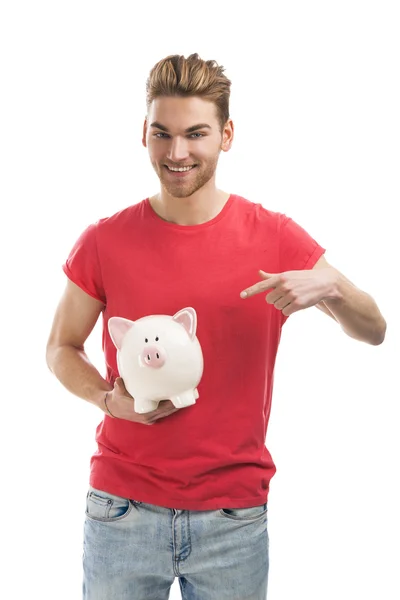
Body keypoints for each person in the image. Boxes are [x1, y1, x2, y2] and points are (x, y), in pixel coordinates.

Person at [45, 53, 387, 600]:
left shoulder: (274, 236)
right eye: (163, 134)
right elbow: (61, 347)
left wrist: (333, 289)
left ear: (226, 135)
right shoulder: (104, 241)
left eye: (195, 134)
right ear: (145, 134)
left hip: (233, 518)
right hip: (121, 512)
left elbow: (375, 330)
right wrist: (109, 401)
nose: (177, 153)